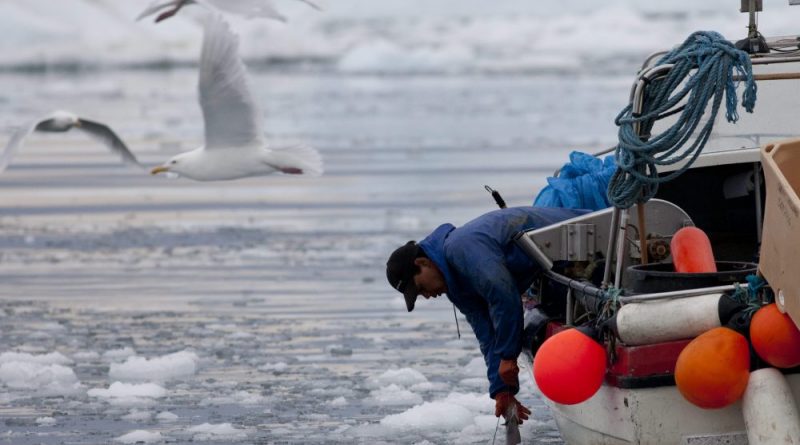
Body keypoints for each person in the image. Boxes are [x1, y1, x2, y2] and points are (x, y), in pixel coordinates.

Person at [385, 206, 585, 423]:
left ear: (422, 263)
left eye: (420, 288)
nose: (426, 295)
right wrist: (502, 390)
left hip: (588, 238)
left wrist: (508, 356)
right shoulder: (457, 288)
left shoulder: (460, 248)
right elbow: (487, 334)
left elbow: (505, 296)